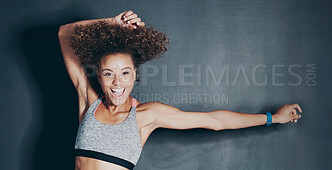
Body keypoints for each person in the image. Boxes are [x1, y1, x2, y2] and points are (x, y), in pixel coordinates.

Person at [58, 10, 302, 170]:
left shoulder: (145, 115)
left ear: (135, 75)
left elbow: (215, 120)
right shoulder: (89, 103)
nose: (117, 83)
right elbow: (64, 33)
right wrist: (113, 22)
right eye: (109, 74)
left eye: (125, 73)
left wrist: (274, 118)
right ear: (98, 77)